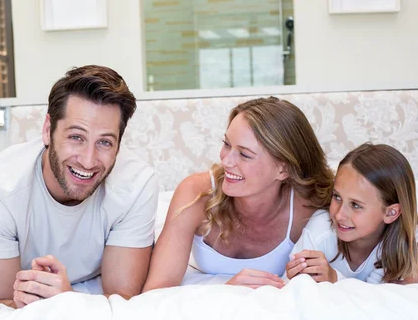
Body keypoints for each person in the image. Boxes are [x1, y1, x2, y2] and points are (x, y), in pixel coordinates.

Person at [0, 65, 159, 307]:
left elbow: (122, 299)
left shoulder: (137, 184)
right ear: (48, 131)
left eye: (105, 142)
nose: (88, 160)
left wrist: (69, 302)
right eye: (76, 137)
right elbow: (4, 303)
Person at [143, 96, 334, 291]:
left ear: (283, 170)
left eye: (244, 154)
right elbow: (155, 292)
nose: (225, 162)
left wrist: (332, 275)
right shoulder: (195, 194)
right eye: (227, 144)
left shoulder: (308, 205)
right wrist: (225, 291)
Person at [286, 143, 418, 284]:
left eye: (356, 205)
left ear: (391, 213)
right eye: (337, 197)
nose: (339, 215)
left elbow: (377, 300)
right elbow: (290, 290)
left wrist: (334, 279)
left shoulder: (400, 246)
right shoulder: (321, 230)